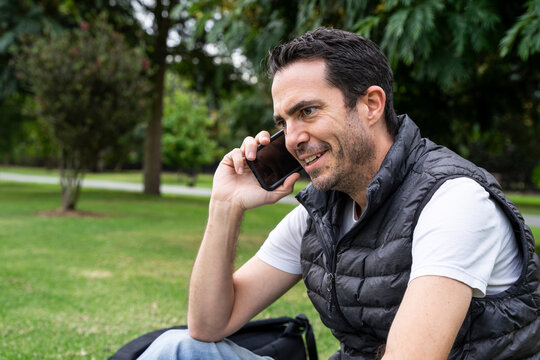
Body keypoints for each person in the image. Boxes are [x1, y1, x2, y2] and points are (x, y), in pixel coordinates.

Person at [138, 27, 540, 360]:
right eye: (284, 120)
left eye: (308, 111)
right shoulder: (322, 210)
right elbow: (209, 325)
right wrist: (225, 206)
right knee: (178, 349)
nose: (293, 138)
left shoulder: (454, 202)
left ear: (370, 104)